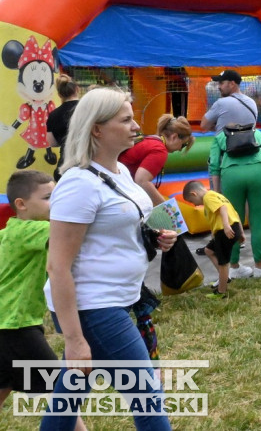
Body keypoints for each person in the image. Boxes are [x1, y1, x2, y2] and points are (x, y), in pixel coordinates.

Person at [43, 87, 176, 431]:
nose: (136, 127)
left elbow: (130, 223)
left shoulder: (121, 172)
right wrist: (74, 340)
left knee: (67, 401)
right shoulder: (78, 184)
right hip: (94, 307)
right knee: (149, 399)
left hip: (118, 299)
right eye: (126, 119)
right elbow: (57, 266)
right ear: (97, 129)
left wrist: (159, 235)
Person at [0, 172, 85, 427]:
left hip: (9, 323)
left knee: (5, 383)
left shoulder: (10, 231)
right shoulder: (32, 230)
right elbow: (70, 233)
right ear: (21, 205)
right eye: (49, 198)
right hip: (15, 325)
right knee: (62, 388)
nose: (57, 203)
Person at [209, 110, 261, 278]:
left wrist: (217, 194)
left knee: (233, 220)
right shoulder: (258, 133)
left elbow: (214, 167)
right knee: (258, 220)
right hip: (260, 172)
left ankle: (235, 266)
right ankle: (260, 266)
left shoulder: (220, 137)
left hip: (232, 175)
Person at [182, 180, 243, 299]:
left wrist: (226, 226)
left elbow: (223, 209)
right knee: (208, 250)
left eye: (191, 201)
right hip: (232, 227)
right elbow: (234, 212)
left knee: (223, 262)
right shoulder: (217, 195)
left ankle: (221, 292)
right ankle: (225, 278)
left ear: (194, 194)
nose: (194, 205)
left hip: (225, 231)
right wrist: (240, 231)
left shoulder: (208, 197)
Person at [118, 113, 195, 205]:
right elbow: (141, 180)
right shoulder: (160, 150)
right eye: (183, 145)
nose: (179, 149)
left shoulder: (149, 139)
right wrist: (167, 208)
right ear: (174, 137)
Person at [200, 69, 259, 133]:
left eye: (221, 83)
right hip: (248, 141)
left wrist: (220, 127)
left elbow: (204, 125)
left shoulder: (221, 103)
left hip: (226, 142)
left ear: (232, 84)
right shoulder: (251, 102)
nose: (218, 87)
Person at [45, 74, 80, 181]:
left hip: (65, 164)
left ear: (60, 95)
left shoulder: (53, 115)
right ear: (77, 89)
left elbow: (52, 143)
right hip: (89, 160)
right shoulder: (88, 108)